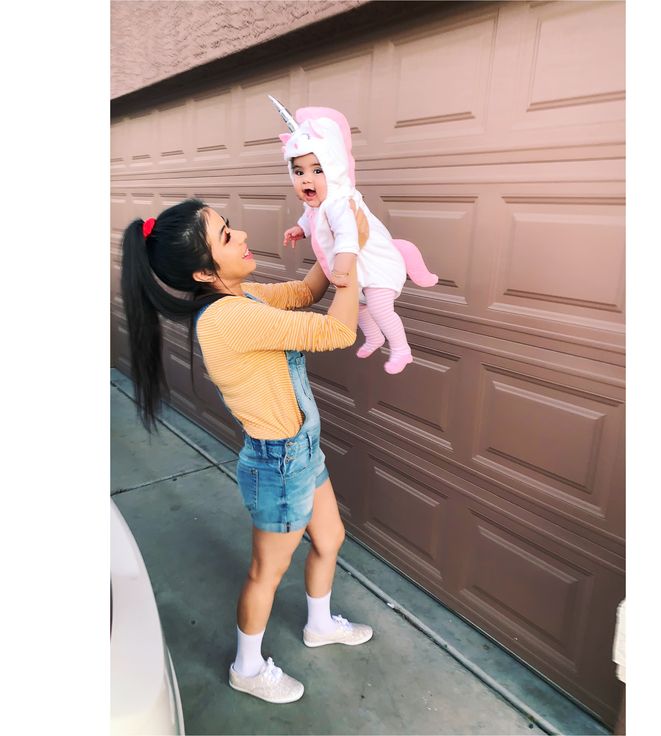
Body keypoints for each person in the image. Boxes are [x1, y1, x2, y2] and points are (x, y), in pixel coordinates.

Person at [120, 198, 373, 705]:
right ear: (201, 269)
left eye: (229, 227)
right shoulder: (227, 318)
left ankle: (320, 624)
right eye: (224, 236)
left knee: (330, 537)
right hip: (278, 464)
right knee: (267, 572)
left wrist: (333, 241)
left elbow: (305, 292)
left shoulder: (244, 296)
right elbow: (337, 330)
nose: (239, 236)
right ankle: (247, 666)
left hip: (303, 450)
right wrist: (355, 252)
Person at [277, 104, 438, 375]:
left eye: (318, 170)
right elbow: (312, 218)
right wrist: (300, 229)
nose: (307, 179)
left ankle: (401, 349)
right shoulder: (318, 204)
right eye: (299, 171)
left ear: (335, 168)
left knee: (378, 306)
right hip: (362, 272)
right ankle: (375, 338)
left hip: (378, 266)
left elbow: (348, 236)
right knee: (360, 308)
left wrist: (341, 268)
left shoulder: (340, 202)